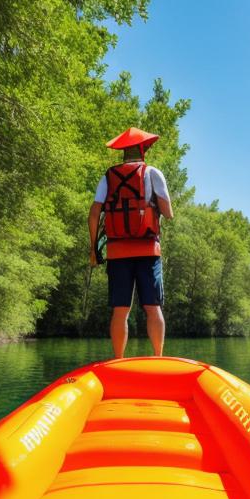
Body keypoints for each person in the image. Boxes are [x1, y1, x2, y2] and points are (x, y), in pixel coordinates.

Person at [89, 127, 174, 358]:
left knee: (120, 310)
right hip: (148, 250)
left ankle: (118, 360)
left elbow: (94, 213)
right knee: (153, 307)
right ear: (143, 150)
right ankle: (157, 357)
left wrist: (94, 249)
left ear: (123, 152)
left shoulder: (108, 176)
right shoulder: (153, 173)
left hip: (117, 252)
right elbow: (168, 213)